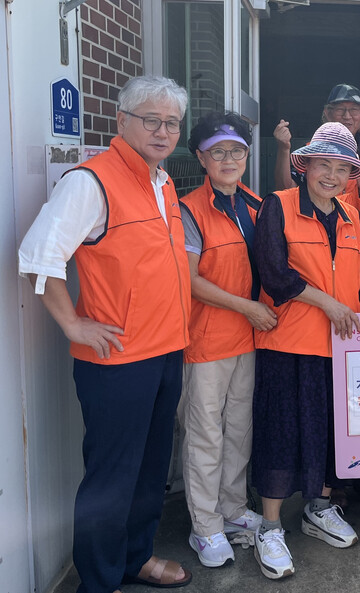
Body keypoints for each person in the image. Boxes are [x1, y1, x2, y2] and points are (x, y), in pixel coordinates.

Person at [18, 76, 192, 592]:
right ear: (122, 120)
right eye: (151, 120)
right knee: (112, 477)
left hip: (166, 350)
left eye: (172, 123)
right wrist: (73, 323)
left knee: (150, 469)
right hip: (117, 360)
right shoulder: (90, 182)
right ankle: (97, 581)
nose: (163, 132)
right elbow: (38, 257)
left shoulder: (162, 181)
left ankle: (135, 557)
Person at [250, 122, 360, 579]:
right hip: (288, 343)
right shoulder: (278, 206)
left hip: (338, 347)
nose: (331, 175)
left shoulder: (351, 215)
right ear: (305, 166)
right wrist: (328, 303)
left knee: (327, 432)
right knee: (280, 431)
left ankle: (318, 508)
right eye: (323, 164)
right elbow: (274, 274)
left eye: (342, 168)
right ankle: (270, 526)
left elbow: (359, 284)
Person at [178, 112, 275, 568]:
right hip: (206, 340)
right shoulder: (189, 209)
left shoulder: (257, 204)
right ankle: (205, 526)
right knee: (204, 436)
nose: (229, 159)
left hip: (250, 340)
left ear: (247, 155)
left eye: (236, 150)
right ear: (201, 158)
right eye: (218, 151)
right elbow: (191, 280)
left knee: (239, 430)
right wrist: (247, 308)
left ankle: (233, 510)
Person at [273, 83, 360, 191]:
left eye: (354, 110)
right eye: (340, 109)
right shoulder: (312, 151)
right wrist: (283, 149)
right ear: (327, 113)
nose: (347, 116)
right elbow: (286, 189)